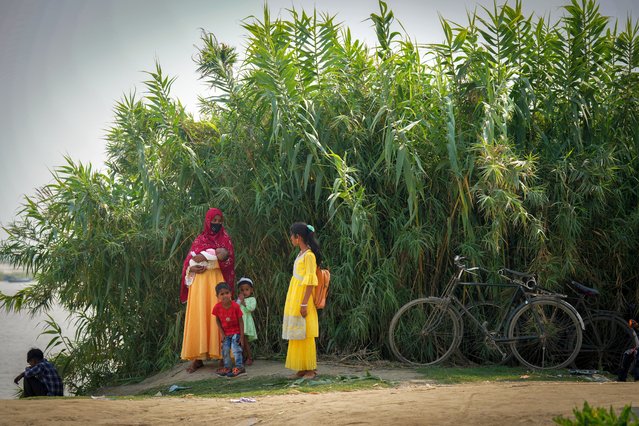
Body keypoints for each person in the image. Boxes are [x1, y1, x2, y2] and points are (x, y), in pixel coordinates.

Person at [180, 207, 236, 373]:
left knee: (218, 315)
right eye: (214, 220)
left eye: (219, 221)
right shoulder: (199, 239)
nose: (216, 224)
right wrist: (192, 269)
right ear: (207, 221)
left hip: (216, 280)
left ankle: (222, 356)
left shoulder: (225, 239)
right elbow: (188, 260)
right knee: (199, 316)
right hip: (199, 284)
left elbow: (229, 260)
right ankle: (197, 358)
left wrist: (205, 257)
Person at [282, 222, 321, 380]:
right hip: (295, 294)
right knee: (297, 331)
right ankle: (302, 368)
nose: (290, 238)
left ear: (298, 237)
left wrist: (304, 303)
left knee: (306, 332)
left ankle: (310, 368)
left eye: (292, 235)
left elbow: (310, 281)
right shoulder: (301, 254)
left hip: (303, 297)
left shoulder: (309, 256)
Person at [212, 282, 246, 377]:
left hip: (236, 332)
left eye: (227, 293)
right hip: (226, 334)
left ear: (231, 293)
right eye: (222, 294)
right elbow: (217, 320)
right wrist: (222, 333)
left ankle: (240, 367)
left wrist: (242, 337)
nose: (225, 296)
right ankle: (227, 367)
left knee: (236, 349)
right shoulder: (217, 307)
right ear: (217, 296)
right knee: (225, 349)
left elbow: (241, 321)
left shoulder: (235, 306)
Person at [237, 277, 257, 366]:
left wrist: (243, 302)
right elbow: (235, 308)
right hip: (239, 323)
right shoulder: (239, 300)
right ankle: (244, 357)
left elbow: (251, 309)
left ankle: (249, 357)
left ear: (251, 290)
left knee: (244, 341)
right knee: (240, 341)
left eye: (246, 289)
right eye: (242, 290)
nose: (244, 292)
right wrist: (239, 301)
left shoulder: (252, 299)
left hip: (246, 323)